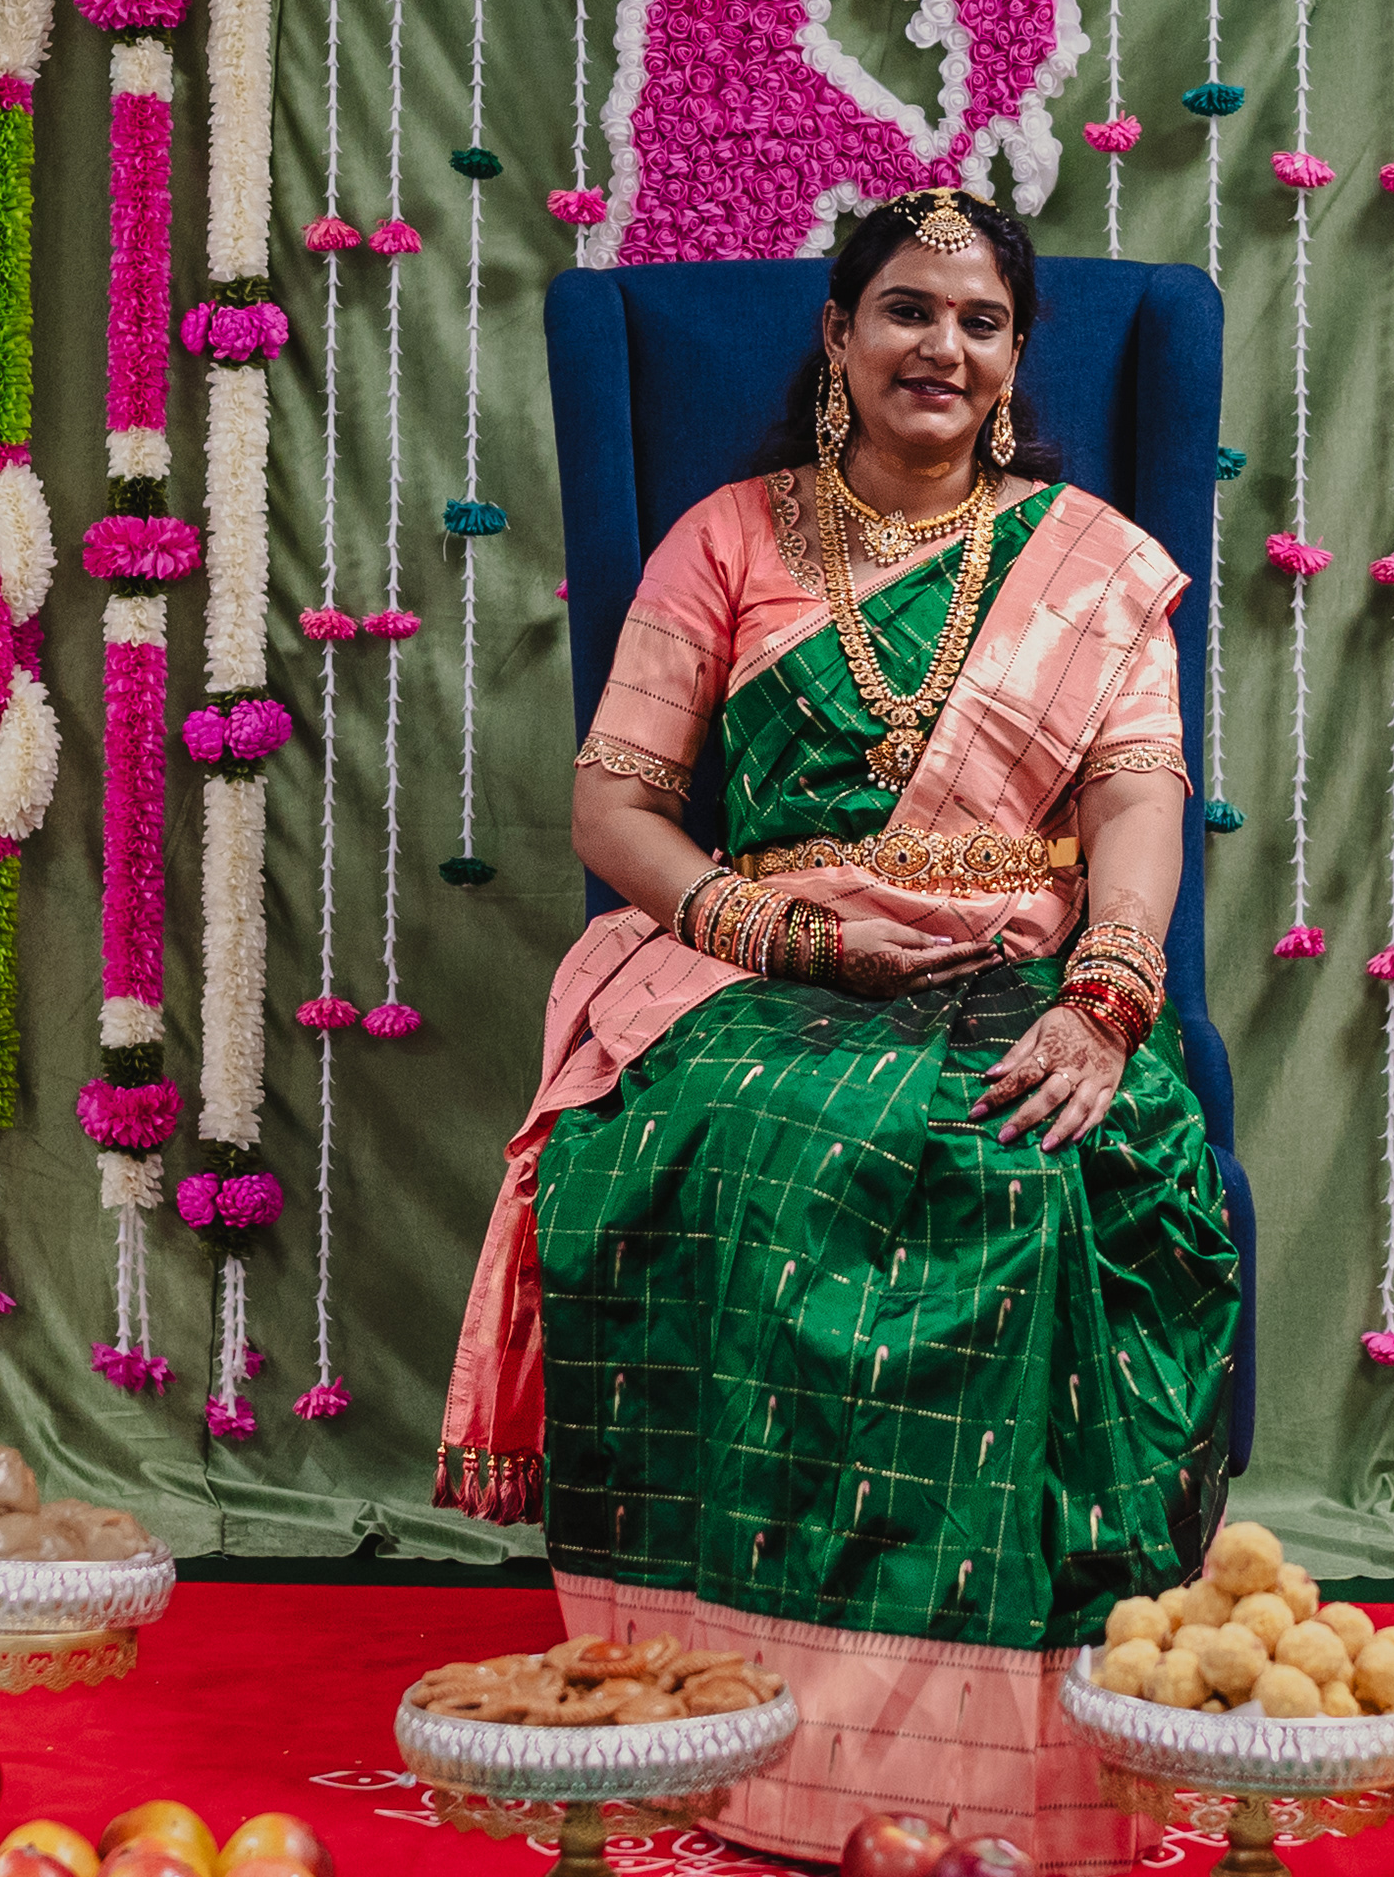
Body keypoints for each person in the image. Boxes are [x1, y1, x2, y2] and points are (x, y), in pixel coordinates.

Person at [439, 188, 1240, 1870]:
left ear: (1015, 357)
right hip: (762, 967)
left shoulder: (1089, 562)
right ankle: (720, 1716)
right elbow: (615, 806)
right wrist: (780, 928)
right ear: (839, 335)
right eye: (906, 310)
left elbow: (1137, 802)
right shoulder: (729, 537)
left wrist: (1108, 998)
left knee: (1032, 1154)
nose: (942, 345)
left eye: (980, 320)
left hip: (1021, 961)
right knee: (731, 1148)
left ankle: (1014, 1754)